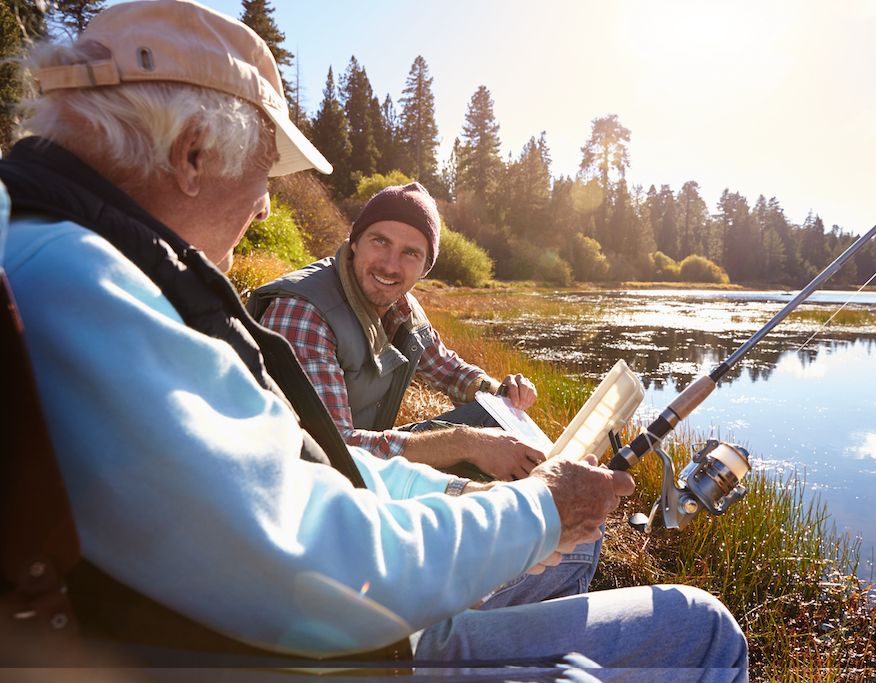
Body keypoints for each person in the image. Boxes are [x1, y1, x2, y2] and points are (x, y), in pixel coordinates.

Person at [0, 1, 748, 679]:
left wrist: (473, 480)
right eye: (265, 174)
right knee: (701, 631)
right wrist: (540, 505)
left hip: (332, 619)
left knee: (578, 548)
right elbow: (317, 559)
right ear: (192, 154)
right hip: (347, 648)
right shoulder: (89, 284)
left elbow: (304, 464)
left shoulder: (90, 261)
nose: (266, 207)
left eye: (414, 255)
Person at [248, 186, 543, 483]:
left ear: (425, 268)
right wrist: (466, 444)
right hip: (306, 479)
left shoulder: (402, 307)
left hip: (361, 462)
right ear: (355, 242)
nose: (390, 265)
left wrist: (503, 392)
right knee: (479, 445)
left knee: (497, 418)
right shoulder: (303, 312)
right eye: (380, 241)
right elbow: (331, 450)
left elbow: (449, 371)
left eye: (410, 253)